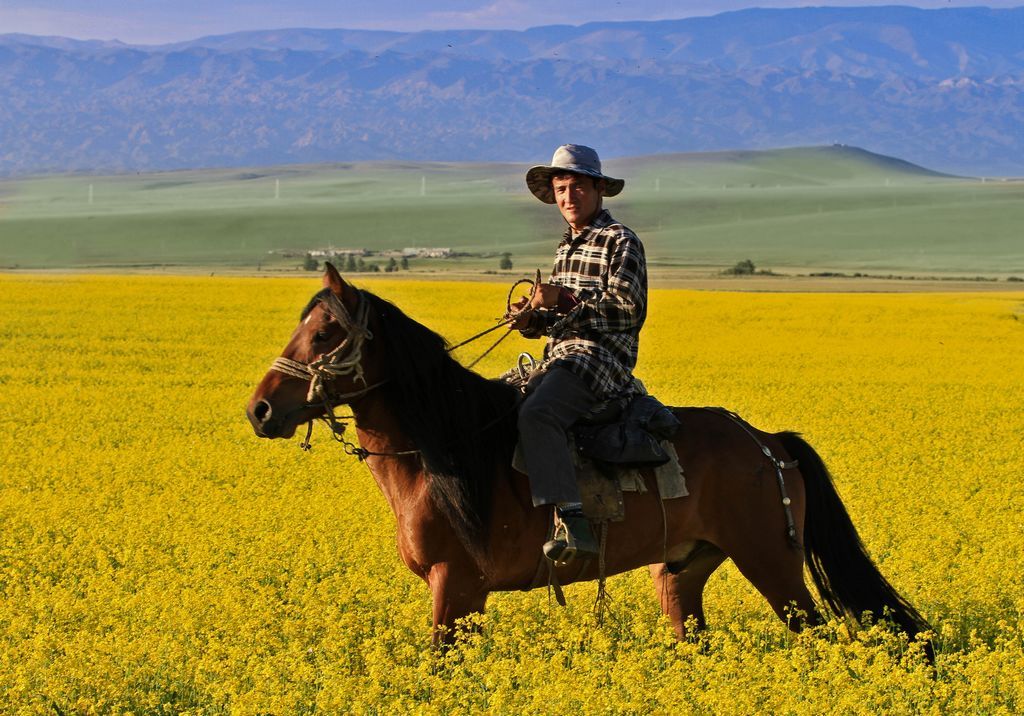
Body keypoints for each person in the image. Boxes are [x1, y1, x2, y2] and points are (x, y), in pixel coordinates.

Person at [511, 144, 648, 564]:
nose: (568, 198)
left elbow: (628, 309)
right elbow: (560, 319)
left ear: (599, 189)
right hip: (560, 355)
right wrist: (532, 318)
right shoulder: (565, 247)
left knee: (539, 414)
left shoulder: (620, 240)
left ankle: (573, 520)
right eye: (560, 189)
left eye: (576, 187)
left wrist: (564, 298)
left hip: (600, 360)